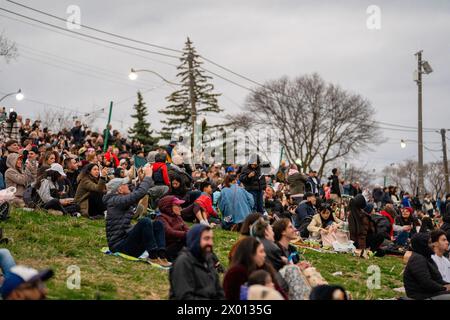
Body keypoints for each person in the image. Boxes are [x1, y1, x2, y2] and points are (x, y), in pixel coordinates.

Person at [104, 165, 171, 268]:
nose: (129, 185)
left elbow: (135, 194)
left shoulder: (121, 199)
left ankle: (161, 255)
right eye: (126, 184)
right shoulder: (115, 200)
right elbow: (138, 194)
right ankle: (152, 256)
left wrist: (141, 180)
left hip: (127, 240)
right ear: (120, 189)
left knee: (158, 223)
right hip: (118, 246)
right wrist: (148, 177)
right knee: (144, 222)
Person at [169, 224, 224, 300]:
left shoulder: (208, 260)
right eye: (206, 238)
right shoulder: (183, 262)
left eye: (211, 239)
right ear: (195, 240)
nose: (211, 243)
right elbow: (185, 297)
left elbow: (219, 292)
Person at [403, 233, 450, 300]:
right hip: (421, 296)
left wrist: (447, 285)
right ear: (423, 244)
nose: (433, 245)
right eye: (430, 243)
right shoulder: (417, 259)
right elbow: (426, 283)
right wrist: (444, 288)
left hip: (431, 293)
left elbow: (438, 280)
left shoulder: (427, 258)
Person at [156, 195, 190, 262]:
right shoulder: (161, 218)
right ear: (168, 207)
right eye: (177, 205)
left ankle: (213, 262)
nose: (180, 208)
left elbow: (186, 228)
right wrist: (187, 234)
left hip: (179, 244)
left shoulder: (178, 217)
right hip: (168, 248)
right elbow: (169, 232)